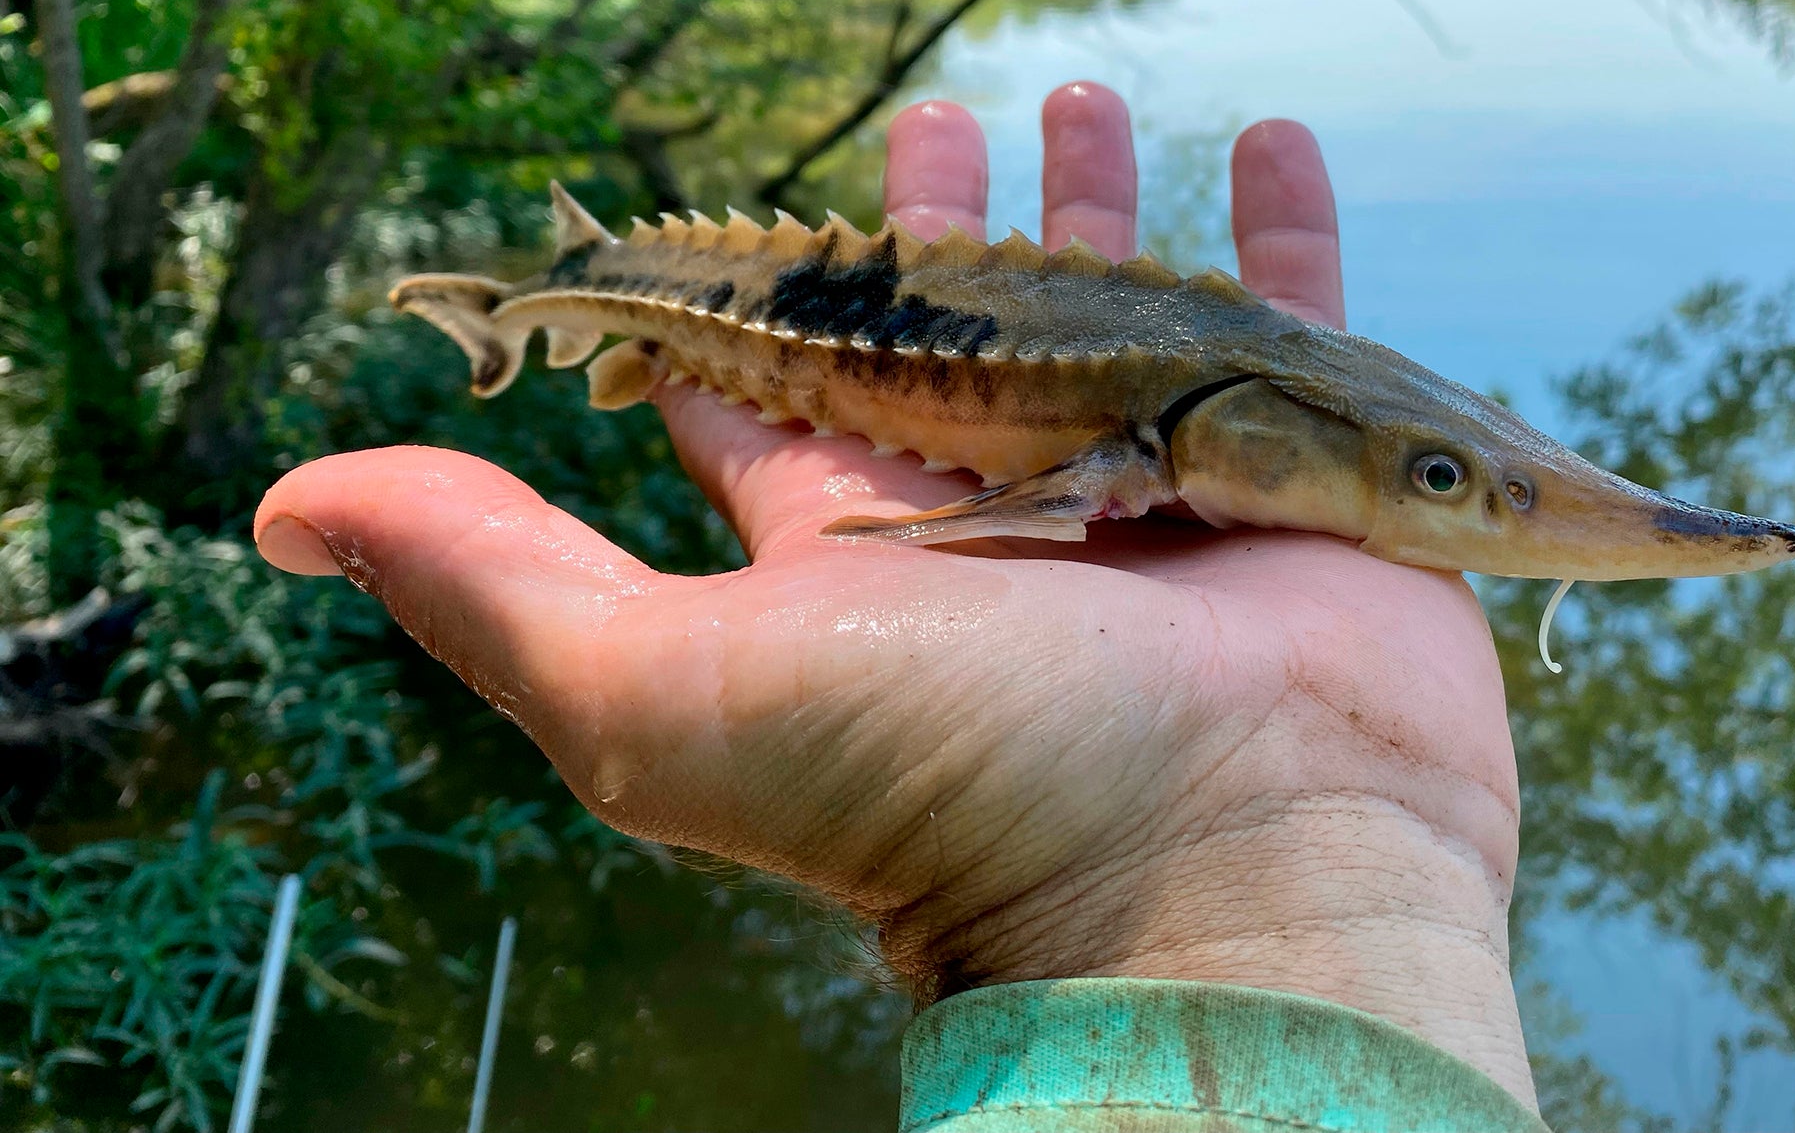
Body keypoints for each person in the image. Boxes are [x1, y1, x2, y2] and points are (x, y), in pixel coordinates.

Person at [255, 82, 1547, 1132]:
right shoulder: (1145, 435)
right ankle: (514, 318)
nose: (1442, 497)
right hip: (723, 306)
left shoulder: (1237, 412)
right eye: (1436, 477)